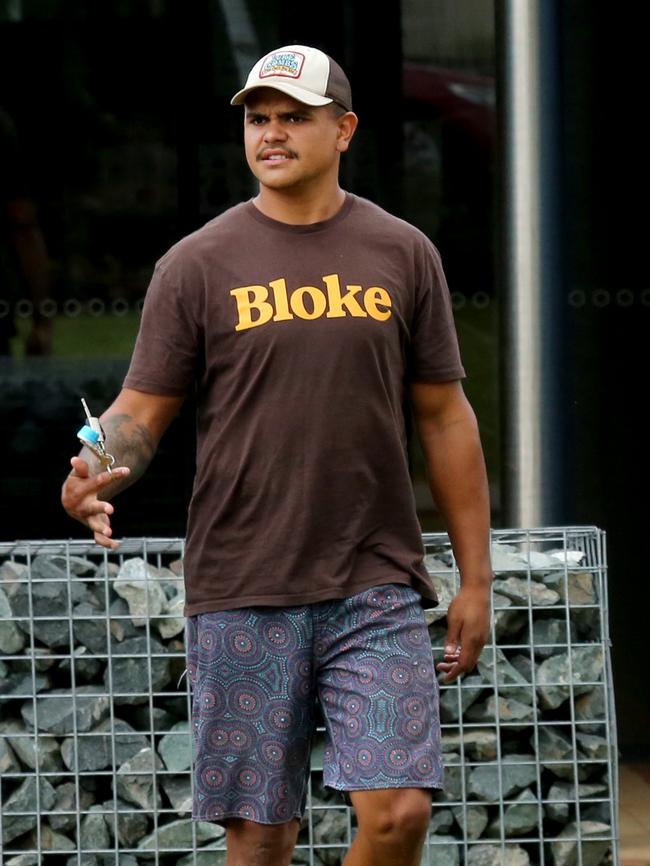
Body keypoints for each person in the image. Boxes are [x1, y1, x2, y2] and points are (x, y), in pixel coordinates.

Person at [61, 44, 493, 866]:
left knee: (399, 811)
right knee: (261, 838)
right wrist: (91, 467)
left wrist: (476, 580)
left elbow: (445, 417)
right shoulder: (197, 264)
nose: (272, 133)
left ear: (346, 130)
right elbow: (139, 413)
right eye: (259, 119)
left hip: (376, 582)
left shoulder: (403, 253)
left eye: (295, 117)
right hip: (242, 582)